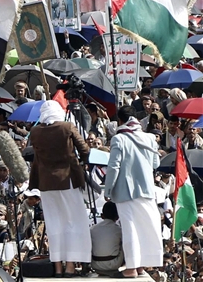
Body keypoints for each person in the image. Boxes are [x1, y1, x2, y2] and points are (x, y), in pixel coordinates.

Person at [28, 100, 92, 276]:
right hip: (67, 179)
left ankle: (57, 267)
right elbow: (84, 149)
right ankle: (70, 266)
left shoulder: (35, 131)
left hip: (46, 183)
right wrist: (83, 161)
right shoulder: (67, 127)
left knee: (53, 223)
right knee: (73, 220)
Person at [103, 106, 163, 277]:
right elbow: (156, 164)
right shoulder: (150, 138)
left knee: (130, 229)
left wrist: (108, 189)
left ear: (120, 121)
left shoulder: (118, 139)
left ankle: (131, 268)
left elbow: (113, 167)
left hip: (126, 191)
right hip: (146, 189)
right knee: (145, 227)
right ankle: (141, 266)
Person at [89, 202, 123, 276]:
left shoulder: (92, 229)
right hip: (113, 264)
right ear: (117, 217)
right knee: (125, 241)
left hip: (95, 264)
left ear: (102, 216)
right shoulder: (119, 230)